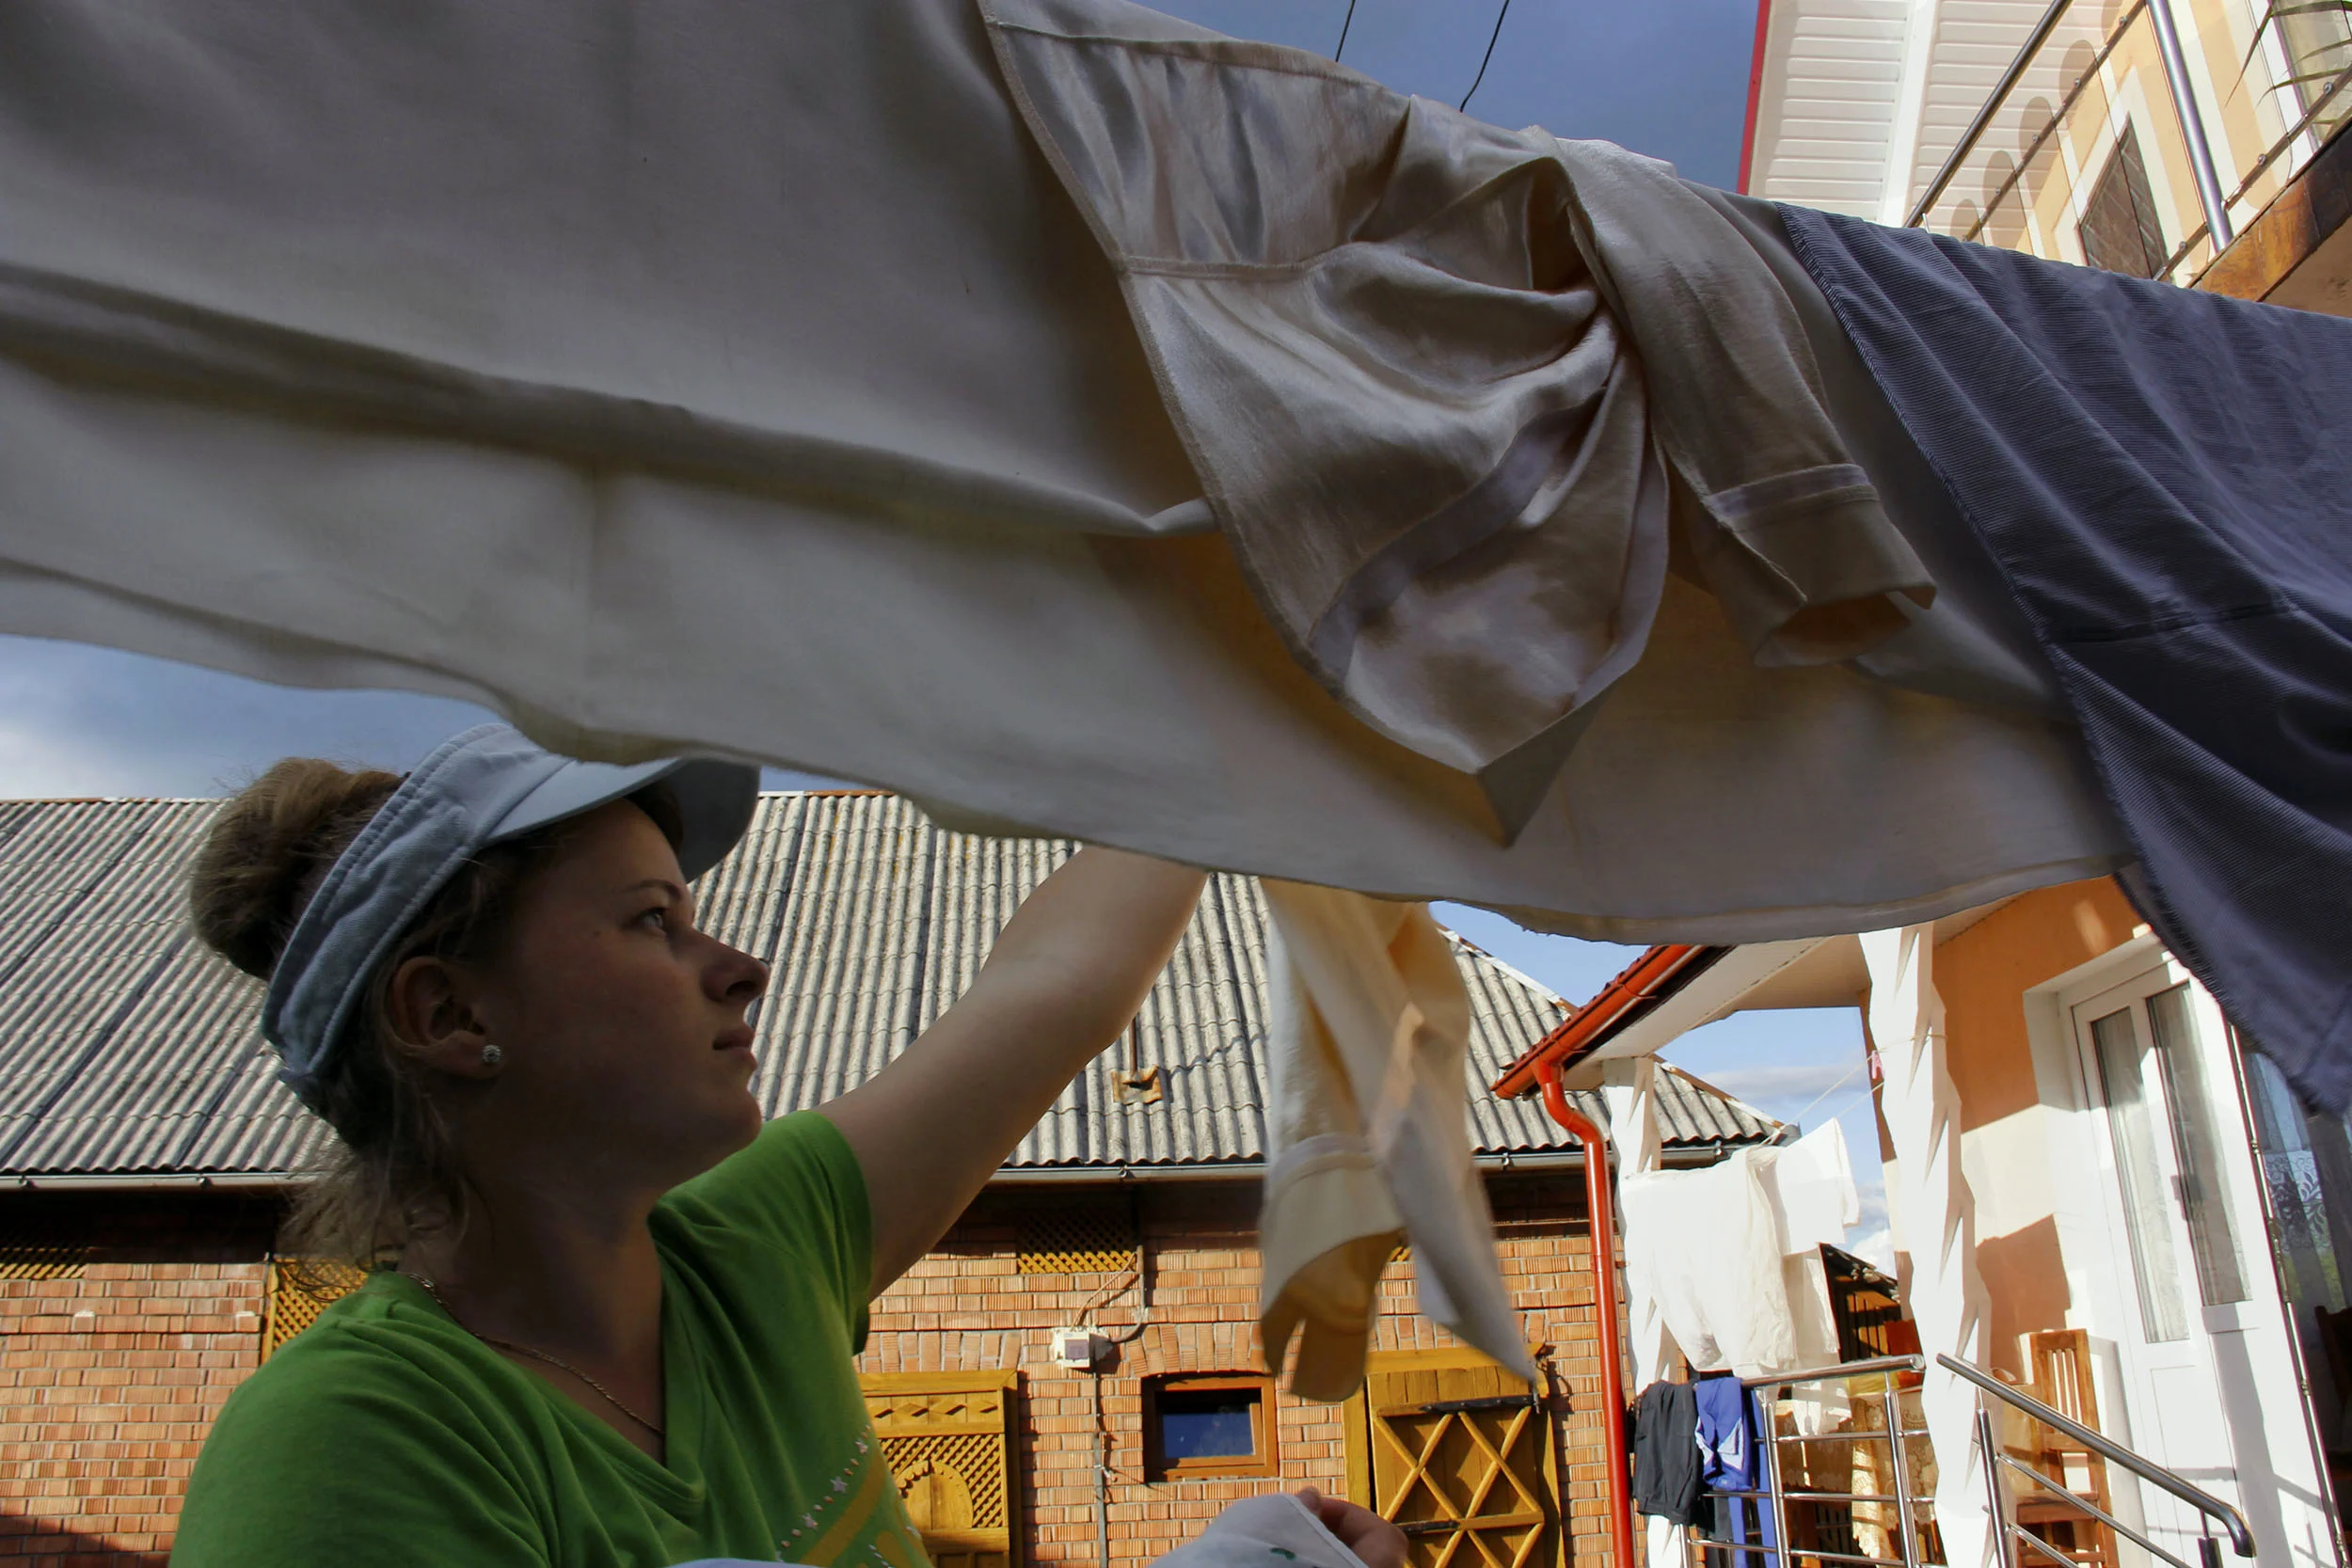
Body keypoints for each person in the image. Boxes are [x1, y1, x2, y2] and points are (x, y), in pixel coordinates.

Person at [170, 725, 1406, 1568]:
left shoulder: (751, 1252)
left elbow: (1053, 986)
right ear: (448, 1014)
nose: (741, 968)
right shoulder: (345, 1443)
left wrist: (1227, 728)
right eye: (654, 922)